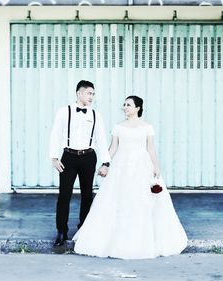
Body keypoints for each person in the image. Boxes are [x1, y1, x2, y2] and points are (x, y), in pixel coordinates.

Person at [73, 95, 187, 259]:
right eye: (124, 105)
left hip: (142, 166)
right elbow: (112, 148)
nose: (125, 107)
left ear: (138, 108)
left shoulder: (147, 127)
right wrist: (105, 164)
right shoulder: (119, 127)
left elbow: (151, 149)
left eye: (128, 105)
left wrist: (156, 166)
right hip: (121, 166)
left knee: (141, 200)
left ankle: (143, 239)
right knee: (117, 200)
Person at [49, 80, 111, 247]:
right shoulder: (64, 112)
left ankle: (83, 229)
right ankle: (61, 231)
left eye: (93, 94)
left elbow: (102, 139)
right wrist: (54, 157)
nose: (91, 97)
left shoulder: (96, 115)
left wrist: (106, 162)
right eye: (89, 93)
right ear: (79, 93)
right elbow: (55, 133)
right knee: (64, 195)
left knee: (87, 195)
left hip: (88, 157)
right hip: (68, 157)